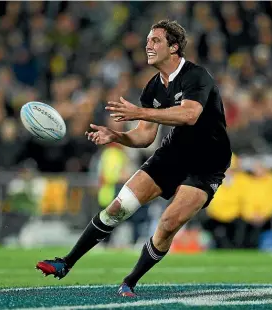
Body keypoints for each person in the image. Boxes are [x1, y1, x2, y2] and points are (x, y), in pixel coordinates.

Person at [36, 20, 232, 297]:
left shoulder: (197, 76)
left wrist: (140, 112)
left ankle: (130, 281)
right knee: (119, 207)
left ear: (174, 47)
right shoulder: (153, 87)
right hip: (173, 155)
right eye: (147, 40)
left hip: (207, 165)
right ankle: (65, 262)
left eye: (155, 41)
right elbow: (144, 137)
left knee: (167, 225)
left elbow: (189, 115)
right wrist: (116, 136)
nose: (147, 45)